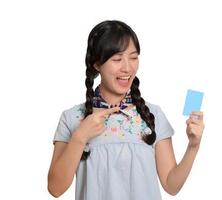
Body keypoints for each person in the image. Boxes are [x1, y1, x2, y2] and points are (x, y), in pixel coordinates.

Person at [47, 20, 205, 200]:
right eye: (117, 59)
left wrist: (193, 146)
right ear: (97, 64)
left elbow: (171, 185)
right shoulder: (72, 118)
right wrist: (80, 136)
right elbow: (55, 188)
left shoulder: (153, 115)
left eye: (133, 57)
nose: (127, 67)